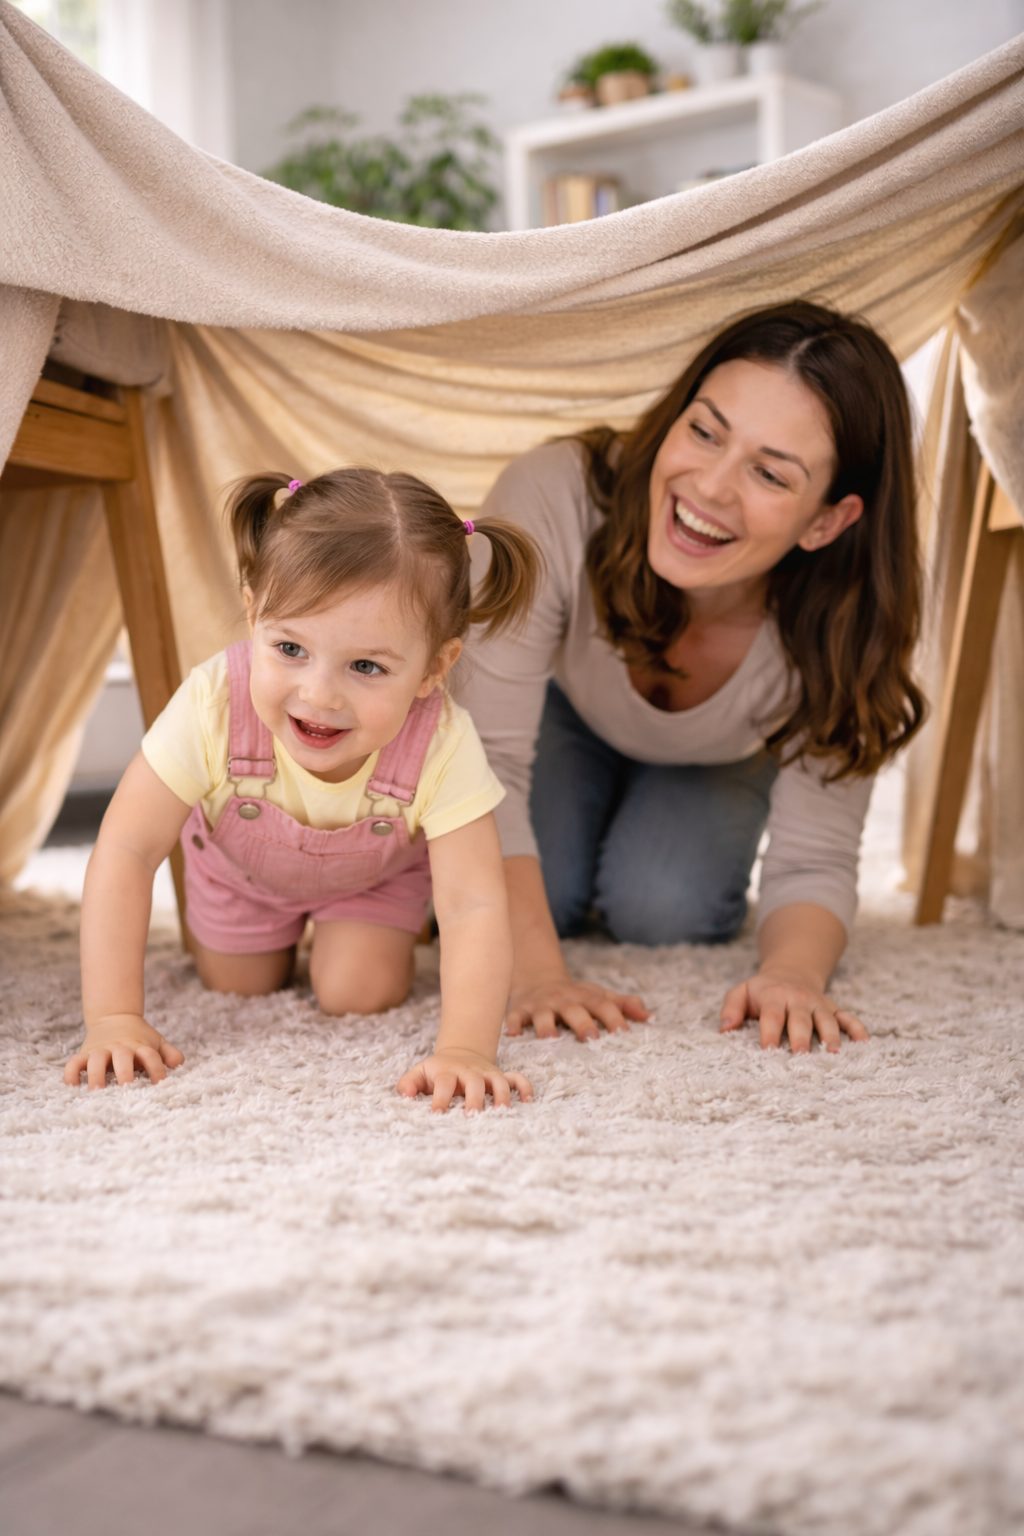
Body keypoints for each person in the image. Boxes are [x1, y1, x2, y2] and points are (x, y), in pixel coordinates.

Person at [456, 301, 924, 1055]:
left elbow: (816, 857)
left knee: (661, 908)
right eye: (705, 430)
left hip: (722, 751)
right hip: (563, 713)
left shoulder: (848, 618)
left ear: (826, 522)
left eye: (770, 473)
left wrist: (794, 976)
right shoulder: (553, 496)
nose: (708, 487)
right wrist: (535, 975)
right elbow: (485, 770)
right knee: (535, 893)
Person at [66, 468, 540, 1112]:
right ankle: (271, 930)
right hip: (240, 873)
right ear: (254, 612)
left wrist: (466, 1049)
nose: (319, 694)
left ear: (434, 667)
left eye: (367, 666)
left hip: (372, 878)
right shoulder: (213, 701)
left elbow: (473, 906)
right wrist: (114, 1018)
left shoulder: (442, 740)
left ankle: (361, 930)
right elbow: (125, 849)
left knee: (358, 991)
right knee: (239, 985)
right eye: (290, 647)